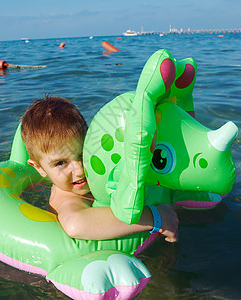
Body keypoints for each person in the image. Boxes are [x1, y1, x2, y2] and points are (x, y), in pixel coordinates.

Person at [21, 95, 178, 242]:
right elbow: (75, 225)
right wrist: (155, 217)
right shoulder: (67, 200)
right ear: (39, 167)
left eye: (82, 153)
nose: (80, 169)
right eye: (61, 163)